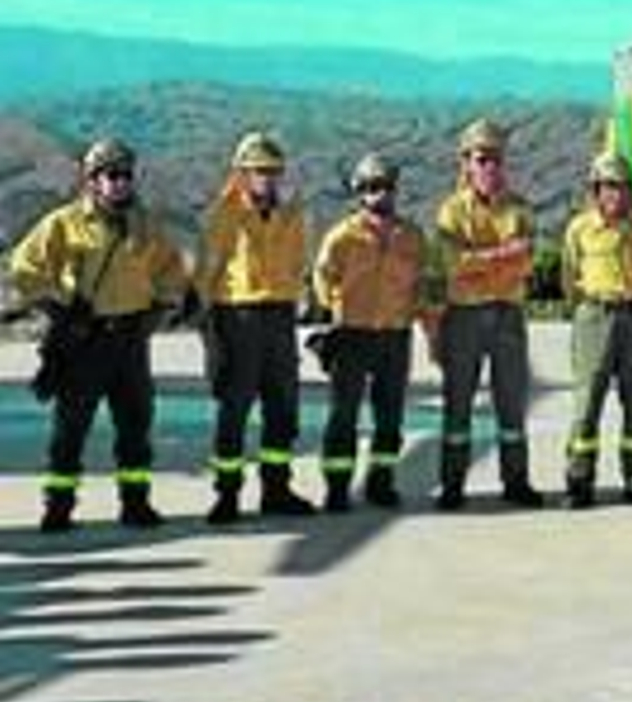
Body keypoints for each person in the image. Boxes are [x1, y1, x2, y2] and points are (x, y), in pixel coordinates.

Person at [8, 138, 188, 531]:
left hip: (130, 340)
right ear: (92, 180)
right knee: (70, 430)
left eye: (126, 175)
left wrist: (161, 308)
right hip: (85, 342)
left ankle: (136, 503)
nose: (121, 183)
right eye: (112, 175)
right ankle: (59, 506)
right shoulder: (64, 223)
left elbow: (172, 270)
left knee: (136, 426)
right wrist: (55, 304)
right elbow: (24, 267)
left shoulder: (145, 226)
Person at [196, 131, 317, 524]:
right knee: (234, 410)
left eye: (272, 172)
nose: (266, 179)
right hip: (238, 318)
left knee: (283, 408)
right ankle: (227, 495)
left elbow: (300, 263)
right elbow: (206, 274)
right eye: (258, 171)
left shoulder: (291, 215)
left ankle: (276, 489)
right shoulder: (224, 216)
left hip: (279, 317)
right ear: (242, 174)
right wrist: (212, 334)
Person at [432, 117, 541, 510]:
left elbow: (526, 262)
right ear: (466, 163)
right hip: (463, 317)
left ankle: (516, 481)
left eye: (495, 158)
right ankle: (452, 485)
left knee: (511, 403)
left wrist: (478, 260)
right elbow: (452, 264)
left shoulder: (520, 209)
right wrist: (499, 257)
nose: (489, 167)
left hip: (507, 314)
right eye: (481, 159)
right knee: (458, 403)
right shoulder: (450, 211)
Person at [311, 153, 429, 513]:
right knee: (343, 416)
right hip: (352, 334)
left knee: (390, 417)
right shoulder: (342, 237)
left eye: (387, 187)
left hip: (395, 335)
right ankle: (336, 487)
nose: (381, 195)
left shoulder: (411, 236)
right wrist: (333, 312)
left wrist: (424, 319)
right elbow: (321, 276)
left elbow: (423, 281)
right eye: (372, 188)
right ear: (359, 192)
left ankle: (382, 482)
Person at [560, 151, 632, 509]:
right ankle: (579, 480)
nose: (614, 193)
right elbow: (569, 279)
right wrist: (589, 310)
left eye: (621, 186)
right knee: (587, 403)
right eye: (607, 186)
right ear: (595, 188)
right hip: (594, 316)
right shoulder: (580, 229)